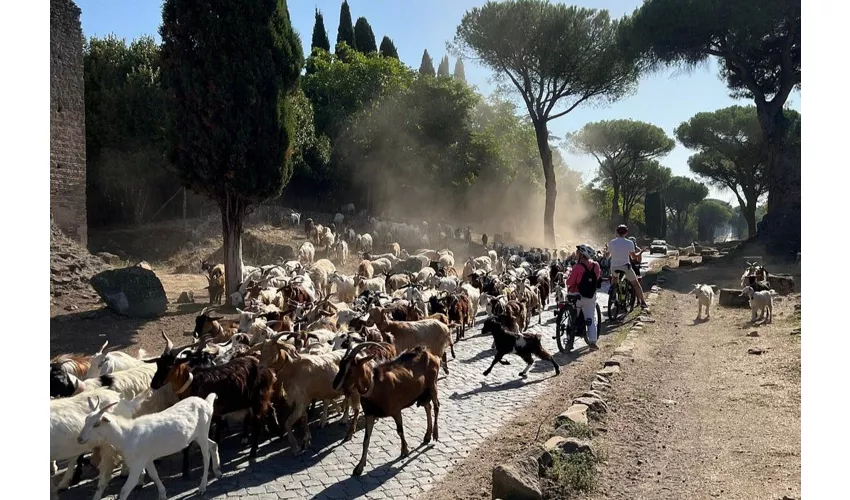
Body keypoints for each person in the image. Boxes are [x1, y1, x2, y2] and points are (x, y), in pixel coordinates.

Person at [566, 244, 602, 350]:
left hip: (576, 296)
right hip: (590, 296)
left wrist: (566, 279)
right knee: (590, 318)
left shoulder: (577, 267)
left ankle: (569, 341)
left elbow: (570, 282)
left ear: (582, 255)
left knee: (571, 317)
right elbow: (597, 277)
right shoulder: (596, 265)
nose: (576, 254)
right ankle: (592, 342)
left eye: (577, 253)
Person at [609, 225, 649, 308]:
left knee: (615, 279)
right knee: (636, 284)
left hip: (613, 266)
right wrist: (641, 252)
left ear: (617, 232)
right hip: (625, 266)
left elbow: (610, 254)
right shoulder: (629, 243)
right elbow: (634, 257)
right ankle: (643, 302)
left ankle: (614, 294)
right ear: (626, 233)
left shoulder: (611, 242)